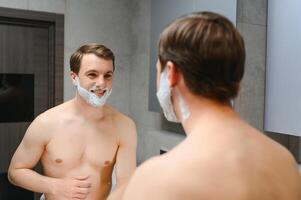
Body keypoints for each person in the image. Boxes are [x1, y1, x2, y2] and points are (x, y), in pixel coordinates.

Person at [122, 12, 301, 200]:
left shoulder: (158, 179)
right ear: (237, 77)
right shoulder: (284, 163)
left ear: (171, 74)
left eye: (159, 71)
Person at [8, 43, 137, 200]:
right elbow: (15, 172)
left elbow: (126, 184)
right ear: (74, 77)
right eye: (92, 74)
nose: (102, 83)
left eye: (107, 75)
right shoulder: (46, 123)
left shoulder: (124, 126)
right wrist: (55, 186)